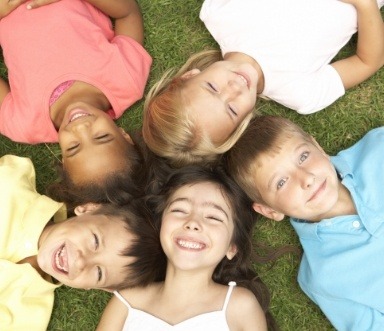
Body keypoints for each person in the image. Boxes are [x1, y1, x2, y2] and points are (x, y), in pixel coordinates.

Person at [142, 0, 384, 167]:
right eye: (232, 109)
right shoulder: (300, 92)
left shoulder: (219, 13)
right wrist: (364, 4)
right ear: (242, 123)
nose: (233, 89)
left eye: (212, 88)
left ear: (189, 76)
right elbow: (368, 61)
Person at [225, 115, 384, 330]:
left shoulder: (378, 149)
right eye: (281, 182)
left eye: (303, 156)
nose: (306, 179)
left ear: (316, 145)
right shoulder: (322, 278)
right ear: (269, 210)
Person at [0, 0, 152, 204]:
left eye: (73, 148)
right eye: (101, 136)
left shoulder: (23, 124)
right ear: (124, 136)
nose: (81, 128)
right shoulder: (126, 81)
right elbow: (127, 14)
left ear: (63, 159)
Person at [97, 166, 284, 331]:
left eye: (213, 217)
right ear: (161, 225)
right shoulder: (127, 301)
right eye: (179, 210)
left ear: (232, 247)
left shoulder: (240, 307)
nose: (192, 223)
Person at [0, 154, 163, 331]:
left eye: (99, 273)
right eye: (95, 241)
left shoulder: (29, 313)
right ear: (87, 209)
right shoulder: (9, 183)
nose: (81, 261)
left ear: (97, 288)